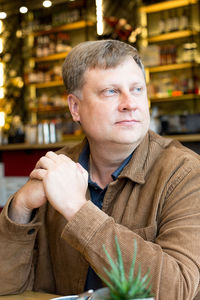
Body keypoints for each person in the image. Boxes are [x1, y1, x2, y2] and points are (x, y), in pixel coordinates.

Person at [0, 39, 200, 300]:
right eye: (111, 91)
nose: (130, 103)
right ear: (75, 107)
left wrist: (77, 210)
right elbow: (7, 288)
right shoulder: (57, 168)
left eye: (137, 89)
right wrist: (21, 207)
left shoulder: (185, 173)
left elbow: (179, 290)